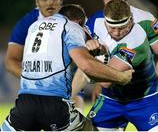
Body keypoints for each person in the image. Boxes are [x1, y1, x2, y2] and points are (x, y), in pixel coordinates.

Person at [0, 9, 134, 131]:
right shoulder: (71, 27)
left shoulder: (35, 26)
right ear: (79, 22)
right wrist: (121, 77)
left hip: (25, 103)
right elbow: (86, 65)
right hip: (55, 106)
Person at [87, 0, 158, 131]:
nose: (116, 33)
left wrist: (86, 55)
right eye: (112, 28)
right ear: (105, 21)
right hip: (111, 100)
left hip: (145, 100)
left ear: (131, 20)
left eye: (122, 28)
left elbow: (105, 80)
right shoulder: (96, 22)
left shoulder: (136, 39)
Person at [85, 0, 158, 103]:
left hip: (140, 86)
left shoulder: (145, 19)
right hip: (111, 90)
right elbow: (96, 56)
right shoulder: (94, 21)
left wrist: (152, 87)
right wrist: (99, 84)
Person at [5, 0, 63, 79]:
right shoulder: (27, 23)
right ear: (37, 2)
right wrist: (33, 79)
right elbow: (10, 61)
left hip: (68, 84)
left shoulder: (73, 18)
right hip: (36, 84)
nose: (49, 3)